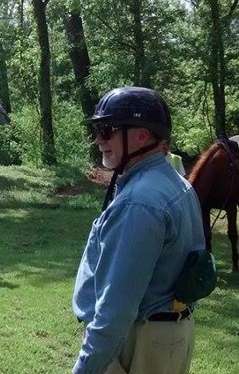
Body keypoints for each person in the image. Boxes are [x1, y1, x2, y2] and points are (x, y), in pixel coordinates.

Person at [72, 87, 205, 374]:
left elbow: (115, 311)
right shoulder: (176, 183)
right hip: (169, 334)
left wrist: (85, 369)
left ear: (141, 135)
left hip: (139, 340)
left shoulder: (139, 203)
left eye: (107, 130)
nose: (98, 139)